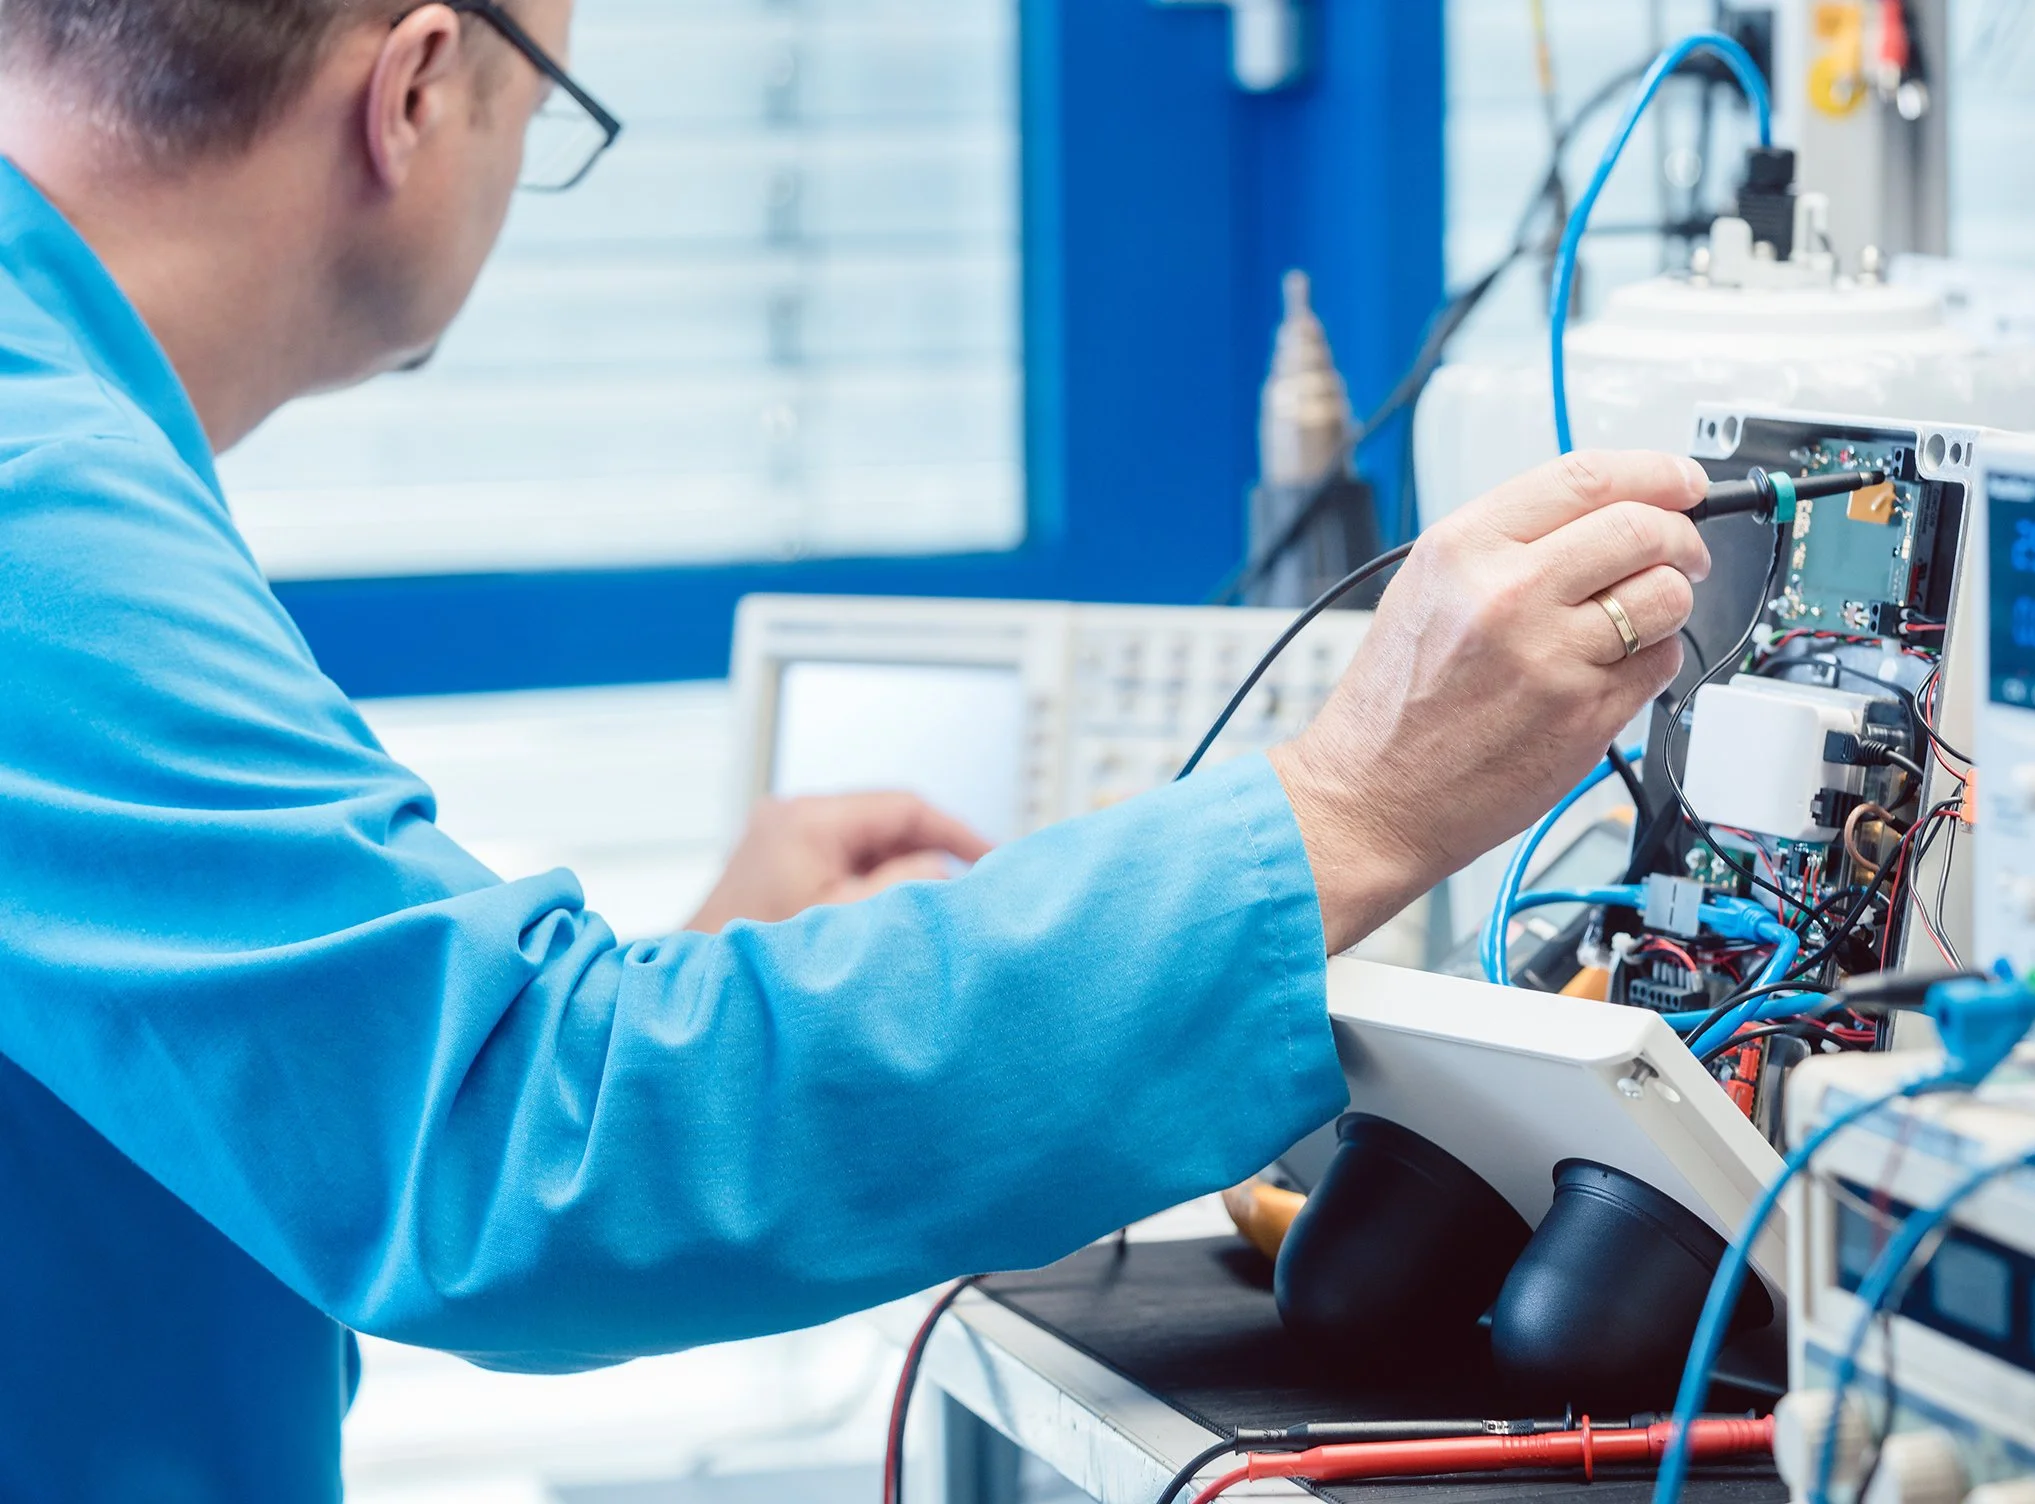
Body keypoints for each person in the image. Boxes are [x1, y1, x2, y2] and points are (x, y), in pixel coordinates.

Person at [0, 0, 1716, 1497]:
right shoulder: (38, 507)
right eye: (553, 115)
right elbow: (509, 1152)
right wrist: (1353, 808)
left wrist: (683, 984)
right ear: (421, 89)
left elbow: (295, 1108)